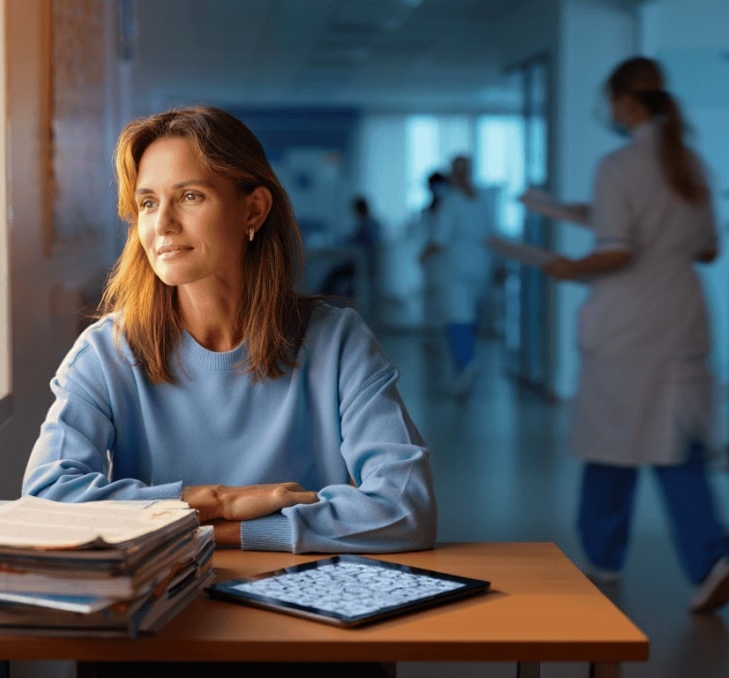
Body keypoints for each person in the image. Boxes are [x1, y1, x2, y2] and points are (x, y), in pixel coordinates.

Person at [22, 106, 437, 559]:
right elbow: (46, 499)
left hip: (303, 600)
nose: (162, 225)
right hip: (163, 606)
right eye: (148, 203)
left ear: (253, 209)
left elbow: (404, 506)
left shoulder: (338, 342)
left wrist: (219, 532)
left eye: (190, 197)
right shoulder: (105, 353)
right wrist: (215, 500)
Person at [537, 56, 729, 613]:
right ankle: (712, 559)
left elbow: (619, 247)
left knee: (610, 446)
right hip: (683, 316)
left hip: (630, 326)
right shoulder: (689, 162)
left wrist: (569, 268)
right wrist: (567, 212)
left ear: (625, 102)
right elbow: (708, 248)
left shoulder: (618, 164)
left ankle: (603, 558)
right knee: (678, 447)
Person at [419, 156, 494, 397]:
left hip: (456, 268)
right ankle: (463, 368)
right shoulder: (481, 200)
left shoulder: (451, 202)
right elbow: (490, 234)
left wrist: (420, 257)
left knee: (456, 320)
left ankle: (466, 364)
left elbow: (439, 240)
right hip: (480, 266)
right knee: (467, 317)